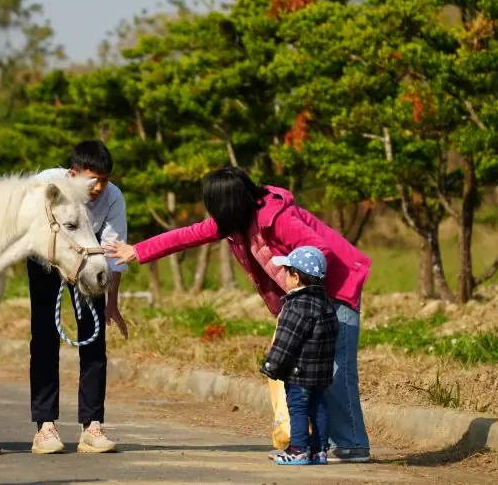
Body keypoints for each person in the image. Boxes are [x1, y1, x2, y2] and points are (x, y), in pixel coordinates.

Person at [105, 166, 372, 463]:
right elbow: (186, 235)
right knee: (314, 372)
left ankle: (352, 444)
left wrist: (298, 287)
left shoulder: (277, 218)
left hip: (337, 289)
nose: (213, 216)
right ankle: (322, 445)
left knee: (335, 368)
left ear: (229, 204)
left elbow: (319, 248)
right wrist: (138, 251)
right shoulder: (234, 223)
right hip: (305, 299)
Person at [26, 140, 129, 455]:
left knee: (93, 343)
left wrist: (112, 303)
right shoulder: (45, 184)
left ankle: (92, 426)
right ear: (73, 174)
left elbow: (114, 252)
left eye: (104, 179)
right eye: (91, 179)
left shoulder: (113, 198)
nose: (98, 186)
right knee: (44, 337)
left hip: (90, 262)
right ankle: (45, 427)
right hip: (46, 259)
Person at [260, 246, 338, 466]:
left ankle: (298, 450)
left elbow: (286, 340)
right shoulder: (326, 304)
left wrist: (271, 365)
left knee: (298, 408)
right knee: (319, 407)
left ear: (296, 276)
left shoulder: (296, 305)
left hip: (299, 372)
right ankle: (319, 451)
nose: (284, 276)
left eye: (287, 272)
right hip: (321, 373)